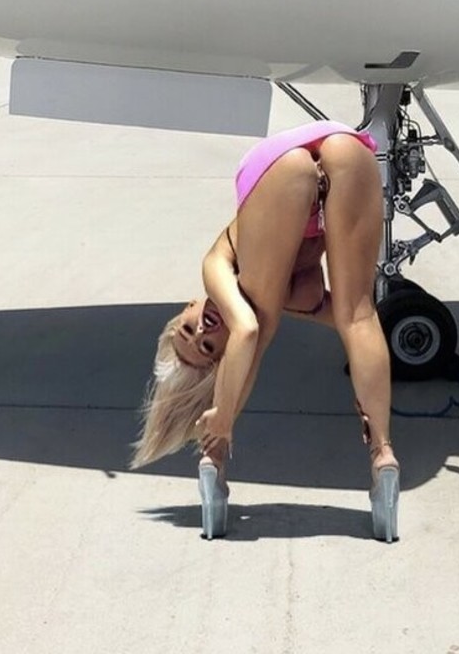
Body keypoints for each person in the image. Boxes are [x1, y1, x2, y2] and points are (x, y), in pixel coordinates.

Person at [130, 120, 400, 542]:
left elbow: (248, 331)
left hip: (279, 168)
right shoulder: (283, 295)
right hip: (347, 149)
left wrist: (222, 417)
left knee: (263, 319)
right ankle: (382, 455)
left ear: (187, 307)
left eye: (186, 328)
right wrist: (314, 316)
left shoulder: (215, 267)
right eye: (207, 346)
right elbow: (346, 321)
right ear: (221, 359)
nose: (201, 329)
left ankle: (214, 455)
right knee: (359, 317)